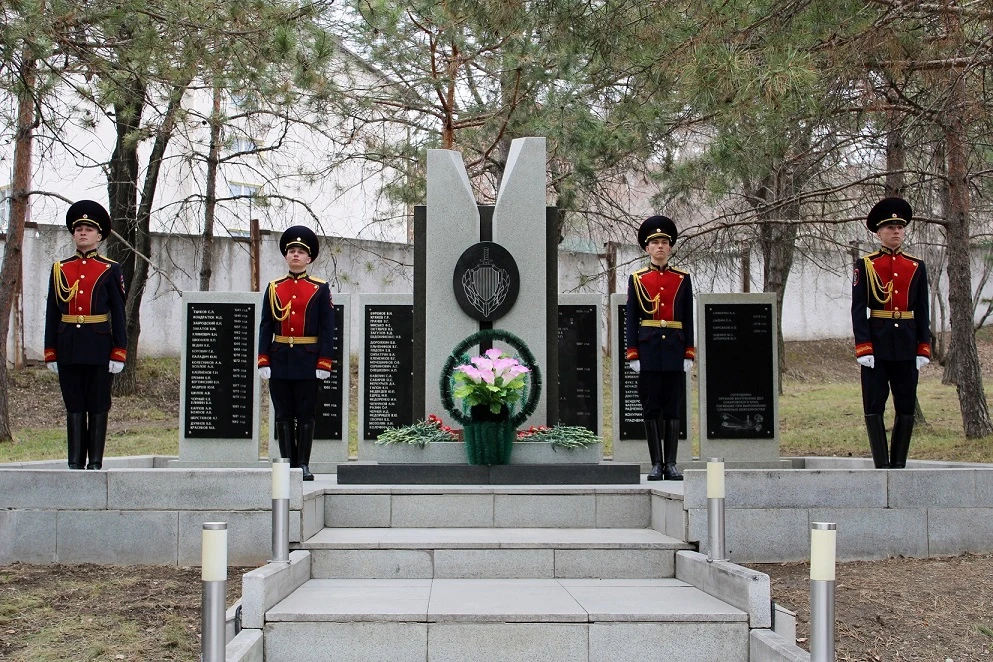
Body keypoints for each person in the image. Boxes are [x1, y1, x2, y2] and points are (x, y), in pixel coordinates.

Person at [44, 200, 127, 470]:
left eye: (88, 229)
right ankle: (75, 460)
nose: (82, 233)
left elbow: (119, 313)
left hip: (99, 345)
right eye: (78, 228)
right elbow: (51, 313)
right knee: (74, 403)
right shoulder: (60, 269)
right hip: (68, 343)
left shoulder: (110, 269)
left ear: (99, 235)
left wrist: (119, 350)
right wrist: (50, 350)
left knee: (98, 402)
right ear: (72, 233)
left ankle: (95, 461)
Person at [852, 197, 931, 469]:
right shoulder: (867, 265)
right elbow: (858, 308)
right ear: (879, 233)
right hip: (877, 343)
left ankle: (898, 464)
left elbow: (922, 309)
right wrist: (863, 346)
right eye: (890, 227)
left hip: (907, 344)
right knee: (874, 403)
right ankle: (880, 464)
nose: (896, 231)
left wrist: (924, 347)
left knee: (906, 402)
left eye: (900, 227)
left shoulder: (916, 266)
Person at [258, 226, 335, 480]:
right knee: (282, 414)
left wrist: (324, 361)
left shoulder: (320, 288)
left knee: (305, 414)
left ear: (309, 258)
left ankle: (302, 464)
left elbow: (327, 328)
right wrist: (263, 358)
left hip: (307, 359)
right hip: (279, 359)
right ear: (286, 255)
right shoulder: (273, 288)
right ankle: (287, 465)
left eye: (301, 252)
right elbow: (266, 325)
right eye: (291, 251)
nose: (295, 255)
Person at [625, 215, 695, 481]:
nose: (660, 247)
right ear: (647, 248)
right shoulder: (637, 279)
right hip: (649, 349)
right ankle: (656, 463)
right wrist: (633, 352)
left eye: (664, 242)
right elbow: (631, 317)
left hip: (674, 350)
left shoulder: (682, 278)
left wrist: (689, 351)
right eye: (655, 242)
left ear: (670, 246)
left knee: (673, 408)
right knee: (651, 406)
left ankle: (672, 464)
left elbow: (687, 317)